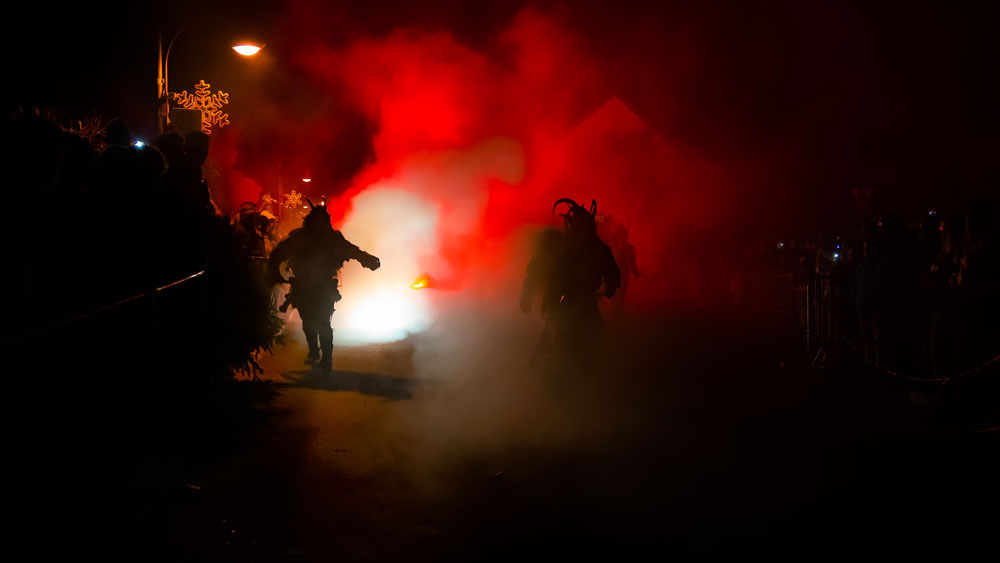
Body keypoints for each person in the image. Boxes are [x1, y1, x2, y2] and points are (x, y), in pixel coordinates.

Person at [267, 197, 380, 371]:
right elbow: (278, 254)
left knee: (320, 322)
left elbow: (352, 250)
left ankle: (324, 357)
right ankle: (318, 354)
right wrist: (275, 275)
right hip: (308, 286)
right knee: (314, 322)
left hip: (319, 287)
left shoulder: (325, 238)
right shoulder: (301, 237)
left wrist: (368, 259)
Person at [520, 198, 621, 382]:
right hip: (559, 303)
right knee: (556, 342)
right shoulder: (559, 245)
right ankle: (557, 376)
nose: (582, 231)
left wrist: (611, 288)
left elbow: (612, 271)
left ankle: (582, 380)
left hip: (584, 305)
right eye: (579, 226)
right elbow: (536, 269)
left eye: (586, 227)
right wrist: (527, 294)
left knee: (584, 346)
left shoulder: (597, 249)